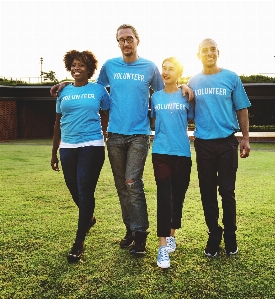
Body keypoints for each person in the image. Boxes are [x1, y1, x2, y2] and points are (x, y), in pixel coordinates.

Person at [50, 24, 193, 255]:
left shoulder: (149, 67)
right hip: (115, 135)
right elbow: (91, 88)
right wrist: (67, 84)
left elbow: (166, 89)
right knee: (120, 186)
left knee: (132, 182)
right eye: (121, 40)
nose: (125, 43)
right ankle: (130, 229)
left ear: (137, 40)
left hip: (139, 134)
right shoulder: (110, 66)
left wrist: (185, 84)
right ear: (117, 43)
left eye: (129, 39)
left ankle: (141, 235)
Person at [188, 38, 251, 257]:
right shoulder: (193, 81)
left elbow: (242, 108)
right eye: (204, 50)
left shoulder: (231, 77)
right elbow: (186, 108)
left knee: (227, 190)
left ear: (218, 52)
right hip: (204, 144)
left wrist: (245, 138)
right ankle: (214, 234)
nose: (209, 53)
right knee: (207, 192)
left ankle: (231, 236)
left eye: (212, 49)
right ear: (199, 55)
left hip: (226, 142)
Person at [51, 50, 110, 262]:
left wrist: (106, 135)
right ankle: (90, 217)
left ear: (89, 68)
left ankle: (79, 241)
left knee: (84, 189)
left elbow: (107, 114)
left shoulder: (99, 90)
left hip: (92, 145)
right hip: (67, 146)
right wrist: (54, 151)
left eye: (82, 65)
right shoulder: (63, 92)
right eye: (74, 65)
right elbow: (57, 122)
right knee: (73, 187)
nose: (77, 68)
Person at [150, 57, 195, 268]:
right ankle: (161, 247)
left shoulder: (187, 95)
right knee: (164, 196)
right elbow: (153, 120)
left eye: (171, 69)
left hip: (182, 154)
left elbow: (194, 117)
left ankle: (171, 235)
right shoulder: (155, 97)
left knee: (178, 196)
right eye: (164, 69)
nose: (166, 72)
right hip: (160, 152)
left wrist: (186, 86)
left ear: (179, 73)